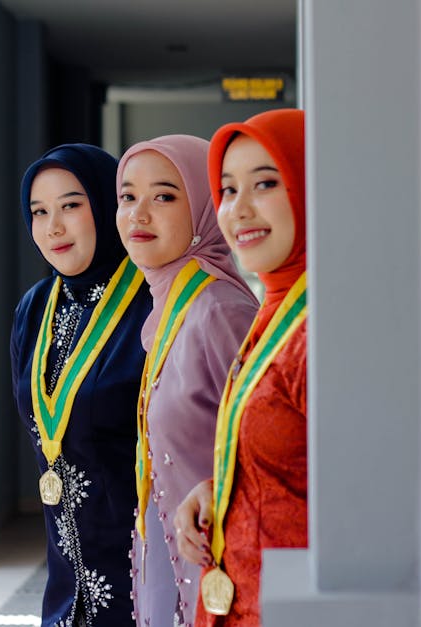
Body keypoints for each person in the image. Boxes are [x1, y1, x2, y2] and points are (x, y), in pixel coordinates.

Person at [115, 134, 258, 627]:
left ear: (204, 208)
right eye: (128, 197)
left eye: (164, 196)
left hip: (218, 570)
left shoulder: (219, 309)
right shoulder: (169, 303)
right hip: (172, 561)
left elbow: (263, 450)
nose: (138, 214)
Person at [173, 109, 308, 625]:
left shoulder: (325, 331)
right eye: (227, 190)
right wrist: (223, 489)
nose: (239, 209)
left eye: (266, 183)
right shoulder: (275, 308)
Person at [10, 143, 151, 626]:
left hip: (143, 567)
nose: (53, 228)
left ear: (108, 206)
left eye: (71, 205)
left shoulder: (153, 302)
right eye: (39, 211)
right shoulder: (34, 309)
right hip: (64, 573)